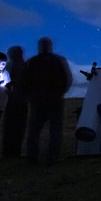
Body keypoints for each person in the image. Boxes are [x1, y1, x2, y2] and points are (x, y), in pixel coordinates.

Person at [23, 36, 72, 166]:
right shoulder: (59, 60)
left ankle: (32, 158)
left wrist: (30, 96)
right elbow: (68, 79)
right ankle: (52, 158)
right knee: (55, 131)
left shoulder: (31, 62)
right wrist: (60, 93)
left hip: (38, 101)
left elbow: (25, 82)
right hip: (55, 100)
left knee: (34, 131)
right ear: (50, 46)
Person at [2, 46, 28, 158]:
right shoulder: (25, 66)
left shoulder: (9, 66)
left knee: (11, 127)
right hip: (19, 100)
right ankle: (13, 151)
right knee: (17, 127)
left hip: (13, 100)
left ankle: (9, 151)